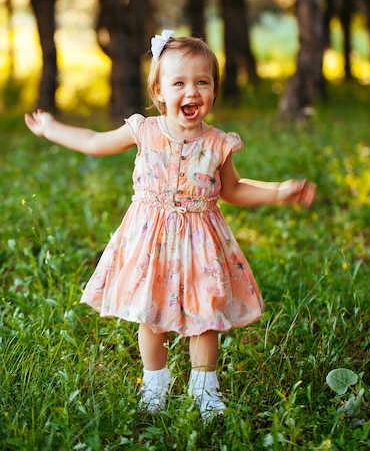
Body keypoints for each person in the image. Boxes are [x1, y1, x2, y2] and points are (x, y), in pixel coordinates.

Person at [24, 31, 316, 421]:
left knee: (206, 314)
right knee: (151, 313)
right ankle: (155, 383)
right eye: (179, 83)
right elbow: (94, 140)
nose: (191, 91)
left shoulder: (217, 143)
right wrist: (51, 129)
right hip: (151, 241)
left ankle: (204, 388)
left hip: (201, 242)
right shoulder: (144, 131)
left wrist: (279, 191)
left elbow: (233, 189)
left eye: (202, 82)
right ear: (159, 91)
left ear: (213, 90)